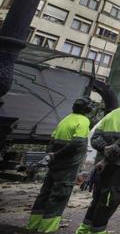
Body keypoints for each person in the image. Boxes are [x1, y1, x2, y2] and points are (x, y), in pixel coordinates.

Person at [75, 87, 120, 234]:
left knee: (98, 197)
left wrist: (105, 148)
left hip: (101, 165)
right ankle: (98, 231)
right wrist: (109, 156)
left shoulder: (111, 114)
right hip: (118, 165)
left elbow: (94, 138)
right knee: (110, 199)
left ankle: (84, 229)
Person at [26, 99, 92, 233]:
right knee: (59, 195)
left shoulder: (65, 120)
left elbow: (52, 140)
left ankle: (33, 225)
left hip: (55, 165)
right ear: (87, 110)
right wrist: (56, 155)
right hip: (68, 165)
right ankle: (48, 228)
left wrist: (51, 156)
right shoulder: (83, 121)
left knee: (45, 193)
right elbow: (77, 143)